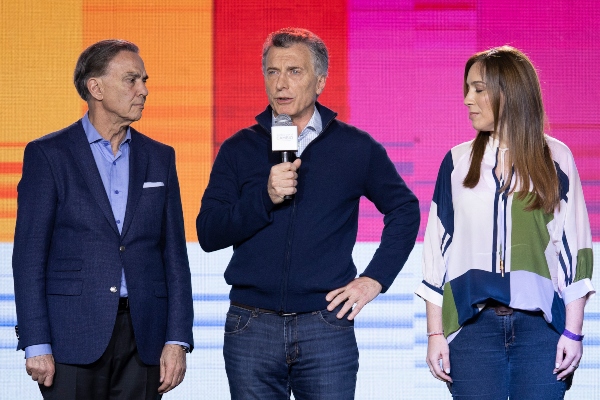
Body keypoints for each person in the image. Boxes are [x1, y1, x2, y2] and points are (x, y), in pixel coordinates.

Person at [197, 27, 420, 399]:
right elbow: (208, 233)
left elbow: (404, 209)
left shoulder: (355, 147)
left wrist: (375, 279)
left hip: (326, 326)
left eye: (294, 71)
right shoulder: (239, 148)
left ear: (320, 81)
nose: (281, 84)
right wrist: (264, 197)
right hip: (251, 325)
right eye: (272, 71)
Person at [12, 39, 194, 400]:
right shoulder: (48, 155)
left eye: (144, 80)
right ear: (95, 87)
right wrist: (35, 342)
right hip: (70, 339)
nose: (143, 90)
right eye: (131, 80)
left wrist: (177, 338)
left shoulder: (160, 157)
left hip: (145, 339)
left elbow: (174, 255)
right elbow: (29, 256)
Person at [416, 46, 595, 399]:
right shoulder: (456, 162)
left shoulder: (555, 156)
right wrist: (435, 334)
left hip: (540, 330)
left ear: (509, 92)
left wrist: (573, 334)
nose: (468, 99)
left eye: (479, 89)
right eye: (467, 89)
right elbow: (437, 253)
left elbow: (575, 250)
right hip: (471, 329)